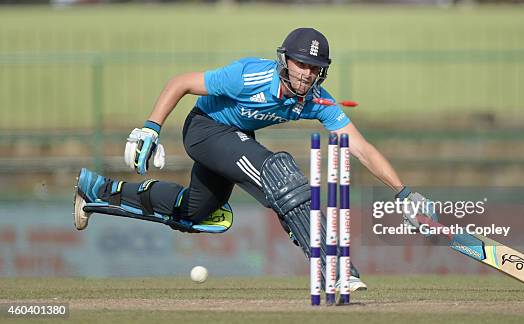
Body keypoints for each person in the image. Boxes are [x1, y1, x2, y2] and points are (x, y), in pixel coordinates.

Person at [73, 27, 438, 290]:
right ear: (286, 61)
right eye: (301, 64)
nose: (307, 74)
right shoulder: (248, 76)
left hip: (234, 139)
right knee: (280, 174)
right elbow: (181, 82)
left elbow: (360, 146)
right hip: (205, 129)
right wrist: (151, 128)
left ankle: (96, 191)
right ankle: (332, 263)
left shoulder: (316, 99)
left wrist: (404, 194)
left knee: (197, 214)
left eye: (315, 68)